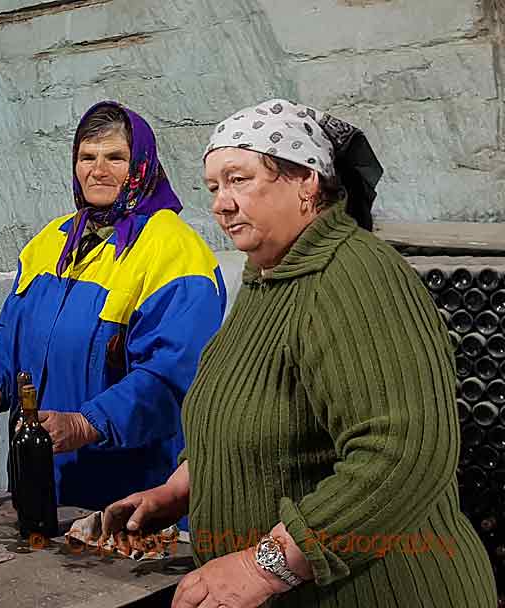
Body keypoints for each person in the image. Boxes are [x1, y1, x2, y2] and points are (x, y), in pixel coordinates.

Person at [101, 99, 497, 607]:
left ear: (306, 182)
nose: (221, 203)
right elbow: (246, 416)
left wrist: (263, 566)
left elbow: (401, 452)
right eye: (214, 187)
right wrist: (177, 490)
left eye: (239, 179)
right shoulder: (267, 280)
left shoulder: (355, 276)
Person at [0, 101, 227, 512]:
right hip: (44, 478)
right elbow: (12, 333)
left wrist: (87, 423)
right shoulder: (53, 241)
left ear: (142, 166)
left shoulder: (174, 251)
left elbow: (172, 377)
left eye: (116, 157)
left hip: (130, 488)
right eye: (87, 157)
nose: (98, 170)